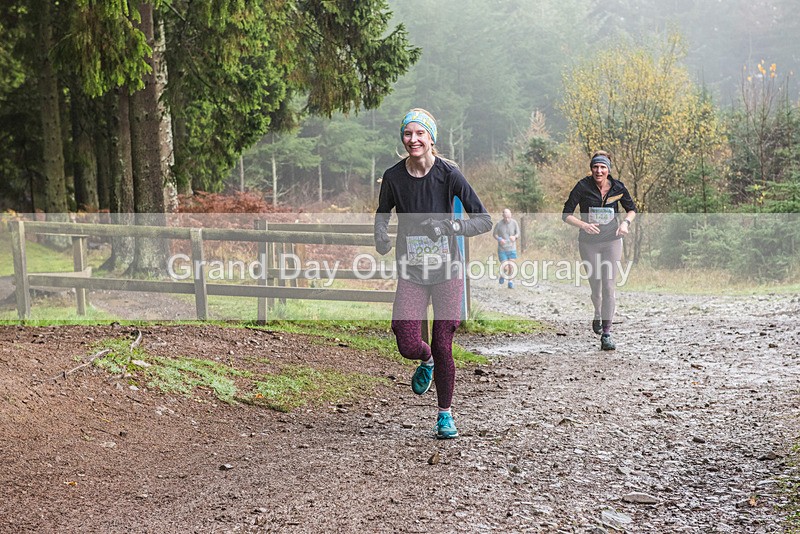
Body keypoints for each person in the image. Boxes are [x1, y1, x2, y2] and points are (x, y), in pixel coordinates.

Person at [374, 108, 492, 439]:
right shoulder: (394, 177)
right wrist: (380, 235)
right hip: (412, 271)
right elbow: (382, 214)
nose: (413, 140)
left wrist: (449, 225)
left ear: (431, 138)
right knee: (407, 340)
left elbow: (483, 220)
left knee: (443, 342)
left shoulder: (449, 174)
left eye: (419, 134)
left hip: (447, 272)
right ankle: (424, 360)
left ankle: (445, 415)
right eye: (408, 134)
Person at [562, 151, 637, 351]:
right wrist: (583, 225)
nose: (599, 170)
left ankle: (607, 333)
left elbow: (632, 209)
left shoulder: (618, 187)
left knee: (609, 286)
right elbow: (566, 214)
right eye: (596, 167)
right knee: (596, 286)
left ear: (608, 170)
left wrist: (625, 224)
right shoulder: (582, 186)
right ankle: (597, 312)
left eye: (603, 167)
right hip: (589, 242)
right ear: (591, 168)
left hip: (612, 240)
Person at [493, 208, 520, 289]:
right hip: (502, 249)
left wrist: (514, 237)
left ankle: (510, 282)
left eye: (508, 217)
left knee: (511, 266)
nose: (507, 219)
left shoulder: (514, 223)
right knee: (505, 267)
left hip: (512, 248)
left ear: (511, 215)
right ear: (503, 216)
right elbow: (494, 234)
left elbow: (518, 233)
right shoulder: (499, 224)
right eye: (505, 217)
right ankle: (502, 274)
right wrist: (499, 239)